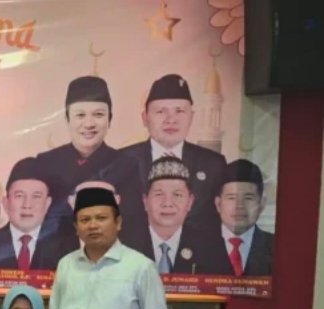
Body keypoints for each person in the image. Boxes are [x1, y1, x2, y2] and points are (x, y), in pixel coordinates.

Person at [120, 73, 227, 236]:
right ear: (145, 118)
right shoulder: (121, 161)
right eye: (161, 111)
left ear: (191, 117)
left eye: (179, 111)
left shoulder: (213, 164)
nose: (171, 120)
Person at [35, 75, 139, 238]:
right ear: (67, 119)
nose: (89, 124)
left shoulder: (126, 165)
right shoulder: (45, 163)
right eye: (80, 115)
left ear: (110, 119)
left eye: (98, 114)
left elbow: (133, 224)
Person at [127, 156, 220, 274]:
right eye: (159, 194)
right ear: (145, 201)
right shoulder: (125, 244)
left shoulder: (210, 247)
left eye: (177, 195)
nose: (167, 203)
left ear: (190, 202)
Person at [0, 158, 65, 271]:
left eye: (36, 196)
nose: (27, 205)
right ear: (6, 203)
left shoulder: (65, 249)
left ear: (47, 204)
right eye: (19, 196)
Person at [201, 159, 274, 276]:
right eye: (231, 198)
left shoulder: (275, 246)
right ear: (218, 204)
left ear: (261, 204)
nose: (239, 206)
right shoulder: (197, 244)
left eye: (248, 198)